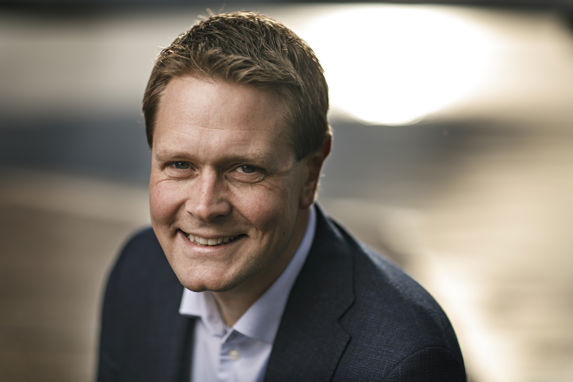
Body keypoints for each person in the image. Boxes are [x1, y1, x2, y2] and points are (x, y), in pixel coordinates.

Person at [97, 11, 466, 382]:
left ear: (312, 172)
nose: (205, 206)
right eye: (180, 164)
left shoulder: (402, 361)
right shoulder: (137, 271)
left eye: (245, 169)